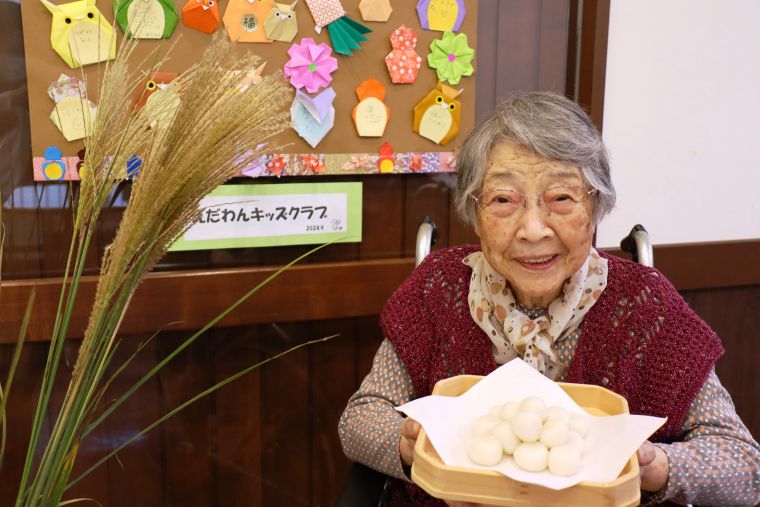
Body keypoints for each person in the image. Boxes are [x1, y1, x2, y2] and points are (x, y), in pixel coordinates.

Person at [338, 92, 760, 506]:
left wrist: (656, 467)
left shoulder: (645, 307)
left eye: (561, 197)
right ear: (475, 213)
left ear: (595, 208)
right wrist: (413, 447)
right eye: (503, 200)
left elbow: (743, 464)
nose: (533, 230)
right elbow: (361, 416)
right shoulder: (439, 290)